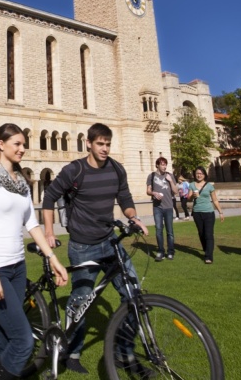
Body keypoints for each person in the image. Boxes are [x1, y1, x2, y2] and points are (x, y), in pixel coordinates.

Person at [41, 123, 148, 375]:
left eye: (108, 144)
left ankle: (124, 350)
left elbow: (125, 199)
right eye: (100, 143)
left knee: (134, 295)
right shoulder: (75, 170)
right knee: (81, 302)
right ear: (88, 143)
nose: (104, 148)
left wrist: (133, 216)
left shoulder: (116, 168)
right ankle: (73, 352)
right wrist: (48, 232)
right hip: (82, 246)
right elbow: (49, 197)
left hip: (110, 242)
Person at [0, 123, 68, 380]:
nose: (22, 149)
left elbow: (31, 224)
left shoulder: (22, 182)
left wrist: (53, 257)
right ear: (1, 145)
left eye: (24, 144)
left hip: (17, 268)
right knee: (24, 340)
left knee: (4, 338)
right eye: (17, 144)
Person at [145, 157, 178, 261]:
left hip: (168, 207)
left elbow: (176, 191)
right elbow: (148, 191)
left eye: (165, 164)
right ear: (157, 165)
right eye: (162, 164)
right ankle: (160, 251)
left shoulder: (170, 175)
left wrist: (171, 181)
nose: (164, 166)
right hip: (157, 207)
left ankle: (171, 251)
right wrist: (154, 193)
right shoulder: (152, 176)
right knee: (159, 230)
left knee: (170, 231)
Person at [190, 166, 224, 264]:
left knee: (209, 234)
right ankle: (206, 249)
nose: (199, 175)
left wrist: (220, 212)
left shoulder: (209, 186)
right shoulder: (192, 185)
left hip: (209, 212)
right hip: (197, 212)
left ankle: (209, 256)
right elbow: (188, 198)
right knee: (201, 233)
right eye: (197, 173)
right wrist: (192, 195)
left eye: (201, 173)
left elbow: (215, 200)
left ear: (204, 175)